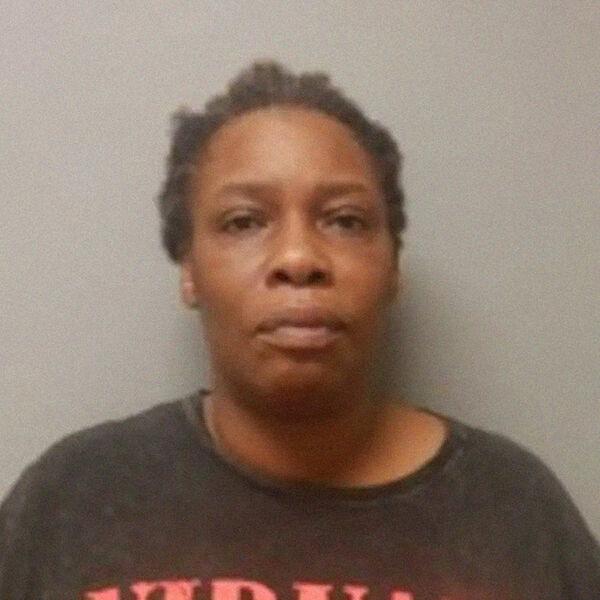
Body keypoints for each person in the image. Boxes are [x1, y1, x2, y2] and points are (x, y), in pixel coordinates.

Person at [0, 61, 598, 600]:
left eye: (345, 220)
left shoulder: (515, 508)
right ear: (189, 271)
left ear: (392, 266)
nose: (298, 258)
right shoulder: (72, 496)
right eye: (244, 221)